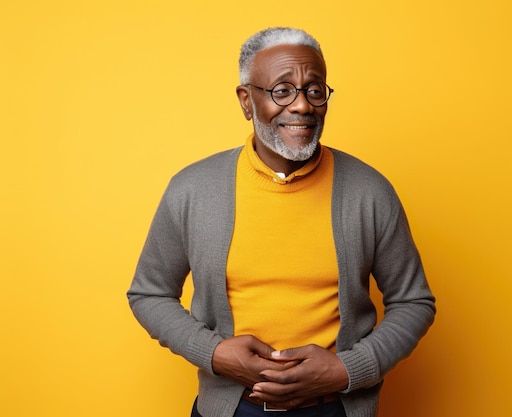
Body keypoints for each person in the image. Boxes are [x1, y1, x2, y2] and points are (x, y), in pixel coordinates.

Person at [127, 27, 436, 417]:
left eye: (315, 89)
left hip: (335, 409)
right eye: (282, 90)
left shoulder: (369, 191)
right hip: (230, 409)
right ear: (246, 101)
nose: (302, 106)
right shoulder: (192, 189)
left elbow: (413, 301)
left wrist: (346, 369)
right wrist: (215, 353)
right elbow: (149, 293)